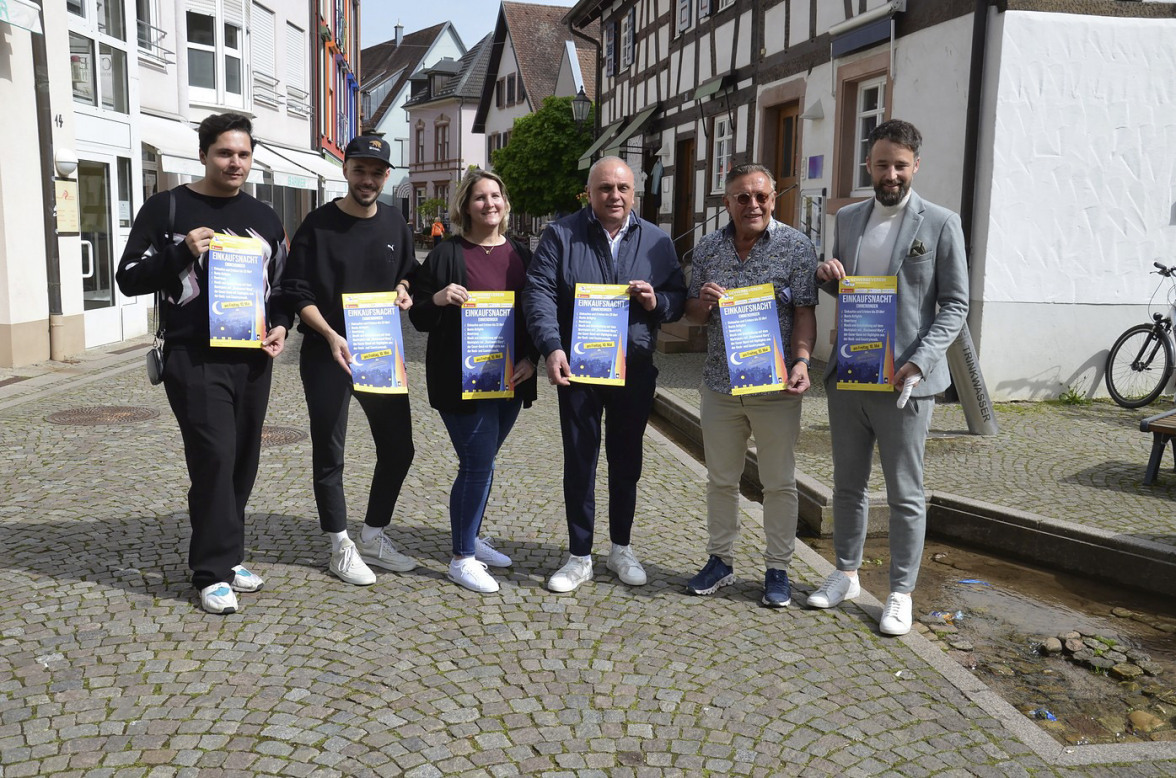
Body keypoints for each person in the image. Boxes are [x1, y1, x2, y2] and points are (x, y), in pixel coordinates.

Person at [116, 112, 290, 615]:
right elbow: (127, 277)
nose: (235, 162)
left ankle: (228, 557)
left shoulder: (265, 216)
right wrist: (180, 253)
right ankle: (211, 572)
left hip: (253, 356)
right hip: (192, 356)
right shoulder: (167, 208)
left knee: (241, 460)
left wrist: (281, 324)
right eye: (224, 153)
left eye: (243, 154)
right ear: (203, 154)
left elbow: (282, 285)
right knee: (213, 456)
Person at [810, 119, 969, 635]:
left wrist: (921, 361)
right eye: (882, 164)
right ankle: (846, 574)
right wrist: (827, 279)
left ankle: (900, 591)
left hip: (907, 382)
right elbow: (854, 294)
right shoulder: (851, 218)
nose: (891, 174)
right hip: (852, 375)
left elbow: (954, 304)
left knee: (905, 493)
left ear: (915, 166)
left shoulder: (941, 222)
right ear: (869, 165)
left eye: (900, 165)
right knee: (848, 486)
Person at [524, 156, 686, 593]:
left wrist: (657, 303)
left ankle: (621, 547)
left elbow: (678, 296)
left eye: (622, 189)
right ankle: (579, 555)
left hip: (634, 368)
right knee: (580, 459)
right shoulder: (561, 234)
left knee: (626, 460)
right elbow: (538, 291)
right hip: (579, 368)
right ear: (589, 193)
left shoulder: (655, 240)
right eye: (605, 189)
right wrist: (551, 346)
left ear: (634, 193)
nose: (614, 196)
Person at [278, 135, 419, 586]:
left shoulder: (396, 222)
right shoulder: (317, 226)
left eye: (377, 172)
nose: (368, 179)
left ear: (387, 176)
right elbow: (295, 291)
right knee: (330, 452)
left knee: (400, 447)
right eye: (360, 169)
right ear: (345, 170)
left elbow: (408, 274)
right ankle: (340, 544)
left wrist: (403, 289)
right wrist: (330, 334)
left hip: (379, 352)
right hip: (327, 352)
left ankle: (374, 534)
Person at [682, 163, 817, 607]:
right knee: (721, 480)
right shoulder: (707, 250)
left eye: (760, 196)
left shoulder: (797, 248)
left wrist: (801, 360)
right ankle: (720, 560)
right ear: (727, 203)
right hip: (720, 385)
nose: (752, 204)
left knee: (779, 482)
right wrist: (701, 302)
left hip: (775, 387)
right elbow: (693, 317)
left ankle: (778, 568)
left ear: (774, 199)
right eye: (742, 197)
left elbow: (803, 312)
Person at [410, 169, 538, 593]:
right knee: (477, 463)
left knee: (483, 465)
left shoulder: (521, 251)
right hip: (460, 380)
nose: (490, 204)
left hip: (511, 378)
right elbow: (419, 316)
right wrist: (439, 299)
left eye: (496, 196)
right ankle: (462, 557)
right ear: (466, 205)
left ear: (505, 202)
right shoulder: (447, 253)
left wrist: (533, 359)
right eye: (480, 198)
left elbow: (538, 313)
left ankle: (472, 540)